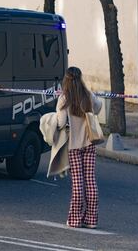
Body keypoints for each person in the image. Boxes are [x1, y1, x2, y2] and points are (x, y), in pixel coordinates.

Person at [56, 67, 102, 229]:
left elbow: (61, 123)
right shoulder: (88, 95)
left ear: (66, 80)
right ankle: (91, 220)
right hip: (90, 143)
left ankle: (75, 219)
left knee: (78, 183)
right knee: (90, 181)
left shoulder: (64, 98)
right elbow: (98, 107)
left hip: (74, 145)